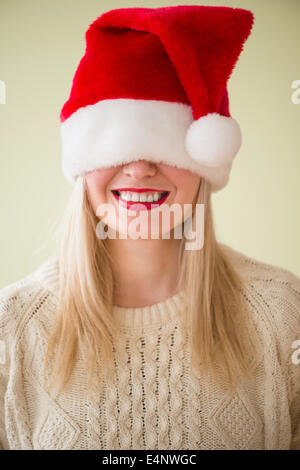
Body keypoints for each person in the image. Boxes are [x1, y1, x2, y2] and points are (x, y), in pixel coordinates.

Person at [0, 5, 299, 450]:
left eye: (164, 146)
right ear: (84, 164)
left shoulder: (282, 310)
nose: (139, 169)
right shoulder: (13, 325)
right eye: (117, 145)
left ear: (203, 164)